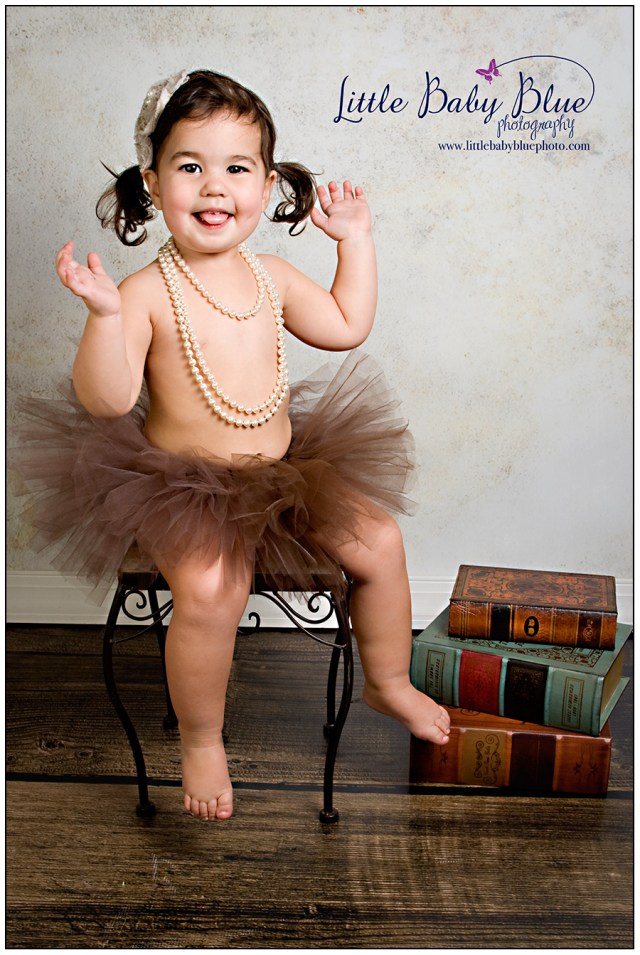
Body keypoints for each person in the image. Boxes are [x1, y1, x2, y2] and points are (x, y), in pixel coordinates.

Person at [26, 69, 450, 821]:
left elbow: (346, 325)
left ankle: (389, 681)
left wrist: (356, 242)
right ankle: (200, 738)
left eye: (237, 168)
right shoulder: (145, 292)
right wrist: (102, 316)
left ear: (268, 183)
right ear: (153, 185)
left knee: (380, 540)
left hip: (284, 472)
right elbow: (108, 399)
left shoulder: (272, 276)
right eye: (190, 166)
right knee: (212, 588)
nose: (214, 187)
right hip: (182, 487)